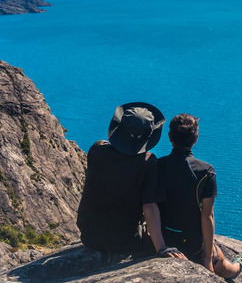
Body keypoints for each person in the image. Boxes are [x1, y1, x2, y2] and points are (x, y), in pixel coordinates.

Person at [76, 102, 185, 259]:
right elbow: (149, 206)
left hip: (89, 236)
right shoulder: (148, 162)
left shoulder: (97, 149)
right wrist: (161, 247)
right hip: (125, 240)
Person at [157, 113, 242, 277]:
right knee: (226, 268)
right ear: (195, 139)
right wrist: (206, 257)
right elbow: (208, 216)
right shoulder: (206, 171)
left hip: (163, 241)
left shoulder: (157, 165)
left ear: (170, 137)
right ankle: (240, 264)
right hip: (193, 246)